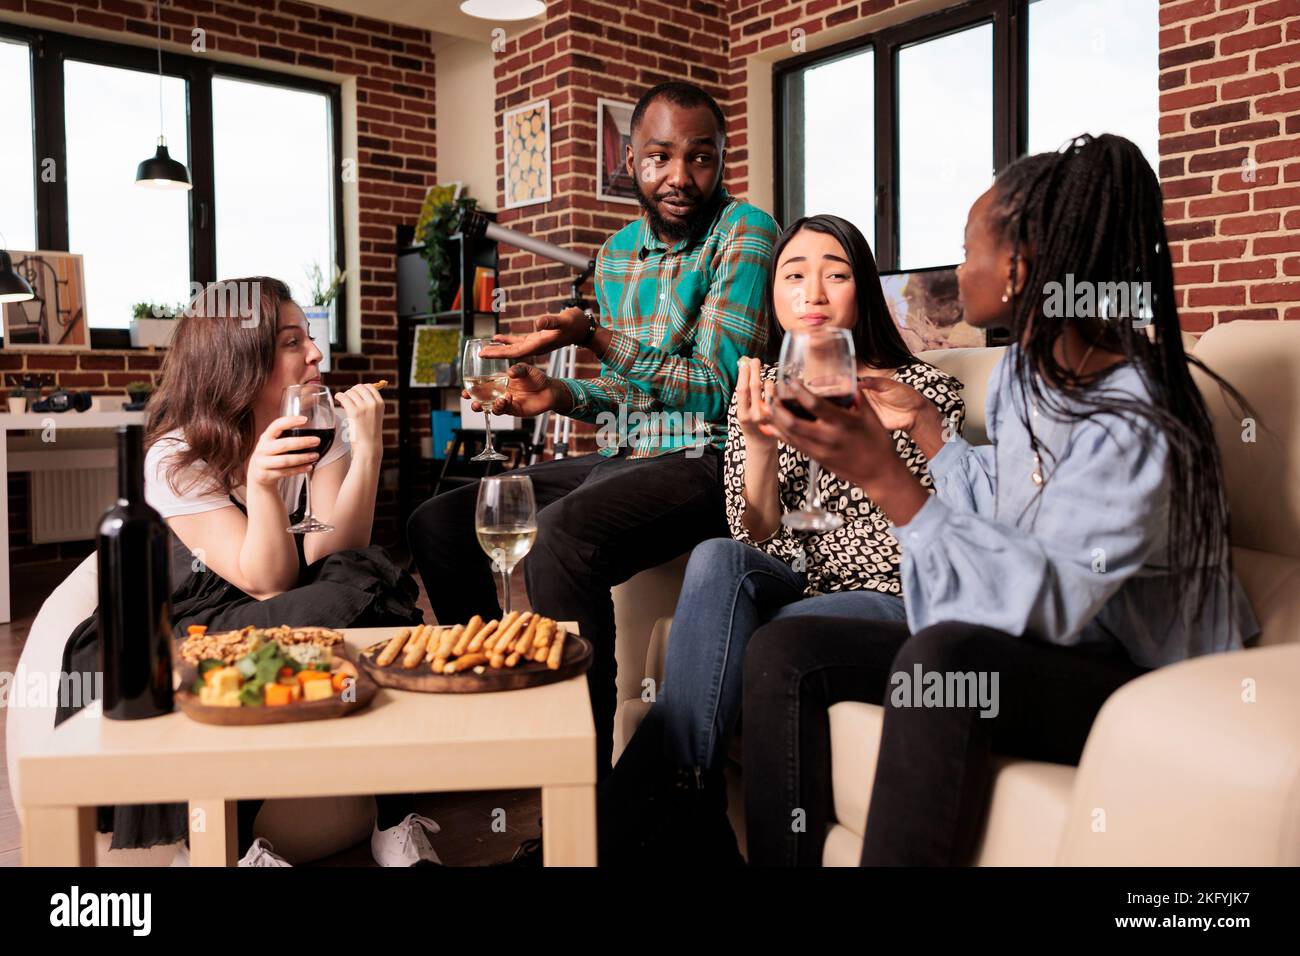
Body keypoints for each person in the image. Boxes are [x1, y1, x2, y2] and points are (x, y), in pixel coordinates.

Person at [742, 134, 1260, 866]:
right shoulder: (1026, 373)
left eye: (968, 249)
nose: (958, 268)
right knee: (786, 649)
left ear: (1018, 269)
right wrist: (925, 431)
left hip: (1146, 676)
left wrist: (886, 478)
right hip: (1059, 647)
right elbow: (1011, 514)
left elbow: (1056, 596)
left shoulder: (1138, 416)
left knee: (944, 660)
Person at [407, 81, 780, 777]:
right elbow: (621, 397)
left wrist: (601, 340)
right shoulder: (615, 255)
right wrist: (557, 393)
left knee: (562, 537)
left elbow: (714, 391)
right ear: (629, 161)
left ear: (722, 159)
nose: (679, 176)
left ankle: (580, 784)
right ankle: (504, 719)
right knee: (439, 524)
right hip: (627, 455)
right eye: (660, 157)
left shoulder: (745, 233)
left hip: (710, 461)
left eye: (700, 158)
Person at [598, 215, 964, 863]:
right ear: (775, 297)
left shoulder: (920, 391)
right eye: (794, 276)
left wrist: (912, 430)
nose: (814, 292)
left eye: (836, 274)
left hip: (886, 594)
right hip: (792, 584)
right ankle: (692, 808)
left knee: (745, 642)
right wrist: (760, 449)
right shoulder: (760, 393)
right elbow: (755, 535)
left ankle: (647, 823)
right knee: (717, 556)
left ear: (863, 291)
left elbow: (952, 525)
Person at [58, 277, 436, 866]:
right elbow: (265, 581)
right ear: (238, 361)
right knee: (332, 611)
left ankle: (392, 821)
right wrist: (261, 485)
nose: (315, 354)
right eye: (292, 342)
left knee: (368, 576)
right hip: (193, 613)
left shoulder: (317, 417)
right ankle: (228, 846)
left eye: (310, 338)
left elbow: (337, 547)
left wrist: (369, 450)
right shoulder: (176, 456)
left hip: (285, 586)